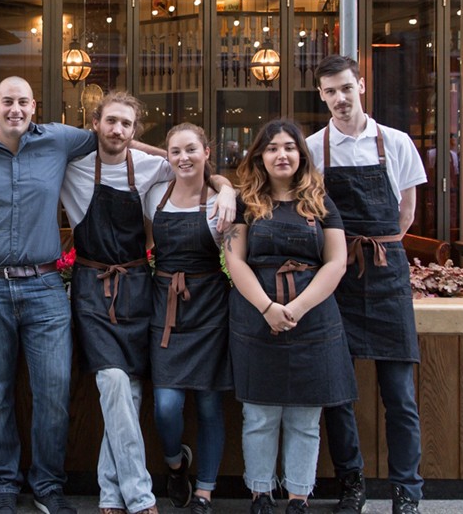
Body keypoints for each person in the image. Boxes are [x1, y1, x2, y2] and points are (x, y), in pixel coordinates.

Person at [0, 76, 112, 514]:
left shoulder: (59, 139)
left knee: (53, 391)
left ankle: (48, 486)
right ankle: (3, 485)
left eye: (22, 101)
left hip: (45, 288)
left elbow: (114, 137)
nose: (15, 109)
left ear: (34, 105)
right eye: (6, 102)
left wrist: (208, 175)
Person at [59, 97, 234, 514]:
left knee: (130, 392)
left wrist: (226, 187)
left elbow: (192, 164)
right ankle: (139, 495)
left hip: (139, 289)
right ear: (95, 123)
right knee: (113, 382)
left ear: (135, 131)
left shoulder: (151, 169)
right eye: (111, 121)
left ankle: (109, 492)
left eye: (126, 124)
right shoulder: (71, 166)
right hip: (92, 288)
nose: (117, 130)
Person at [306, 55, 428, 514]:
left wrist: (376, 246)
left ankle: (406, 491)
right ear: (321, 96)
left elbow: (406, 213)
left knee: (400, 395)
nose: (339, 98)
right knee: (338, 394)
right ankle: (351, 484)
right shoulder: (313, 149)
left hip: (387, 272)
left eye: (346, 88)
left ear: (361, 86)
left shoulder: (396, 142)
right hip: (336, 276)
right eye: (330, 91)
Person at [224, 118, 355, 514]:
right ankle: (260, 493)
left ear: (301, 155)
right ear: (259, 157)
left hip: (313, 321)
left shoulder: (321, 202)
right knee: (259, 415)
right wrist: (267, 308)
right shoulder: (245, 203)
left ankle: (299, 496)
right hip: (255, 319)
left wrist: (296, 308)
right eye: (272, 148)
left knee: (305, 417)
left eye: (289, 147)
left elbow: (337, 262)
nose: (281, 155)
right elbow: (234, 260)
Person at [146, 123, 234, 514]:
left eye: (191, 150)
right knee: (166, 407)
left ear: (207, 152)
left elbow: (235, 258)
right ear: (167, 156)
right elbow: (146, 243)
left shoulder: (221, 202)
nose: (184, 158)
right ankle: (175, 464)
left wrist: (227, 188)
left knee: (211, 406)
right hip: (165, 310)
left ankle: (205, 492)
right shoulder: (154, 196)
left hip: (211, 310)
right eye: (175, 151)